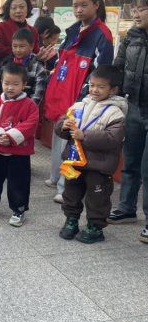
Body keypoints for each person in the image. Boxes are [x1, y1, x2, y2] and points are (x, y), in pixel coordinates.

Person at [45, 0, 114, 205]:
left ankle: (66, 187)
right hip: (62, 91)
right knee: (59, 134)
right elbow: (61, 61)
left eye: (84, 5)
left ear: (96, 5)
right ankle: (56, 176)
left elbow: (101, 71)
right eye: (75, 6)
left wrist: (86, 96)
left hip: (81, 97)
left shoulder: (102, 34)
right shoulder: (73, 30)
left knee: (73, 142)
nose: (79, 10)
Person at [55, 65, 127, 243]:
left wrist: (84, 135)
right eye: (92, 85)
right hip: (74, 161)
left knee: (97, 198)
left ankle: (95, 226)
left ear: (113, 89)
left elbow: (113, 138)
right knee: (71, 193)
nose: (94, 90)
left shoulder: (115, 113)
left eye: (101, 87)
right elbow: (61, 125)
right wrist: (63, 126)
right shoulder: (79, 105)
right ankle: (71, 220)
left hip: (98, 165)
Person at [108, 0, 148, 243]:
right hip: (134, 106)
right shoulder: (131, 36)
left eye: (141, 9)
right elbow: (117, 67)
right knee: (130, 161)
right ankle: (126, 209)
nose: (135, 13)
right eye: (134, 9)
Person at [0, 64, 40, 227]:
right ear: (1, 82)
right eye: (6, 83)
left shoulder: (30, 105)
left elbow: (31, 124)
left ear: (24, 84)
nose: (10, 87)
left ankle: (18, 209)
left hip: (19, 151)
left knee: (19, 182)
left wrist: (11, 137)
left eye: (15, 84)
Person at [0, 28, 46, 106]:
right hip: (3, 106)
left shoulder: (38, 67)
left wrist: (27, 109)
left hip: (25, 109)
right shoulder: (5, 63)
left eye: (22, 46)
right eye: (15, 46)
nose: (18, 50)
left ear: (31, 46)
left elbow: (38, 94)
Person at [0, 0, 47, 66]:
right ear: (9, 11)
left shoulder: (33, 31)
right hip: (5, 69)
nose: (18, 11)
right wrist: (22, 50)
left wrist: (40, 56)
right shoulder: (0, 27)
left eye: (22, 7)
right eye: (14, 8)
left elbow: (35, 52)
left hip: (28, 70)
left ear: (27, 9)